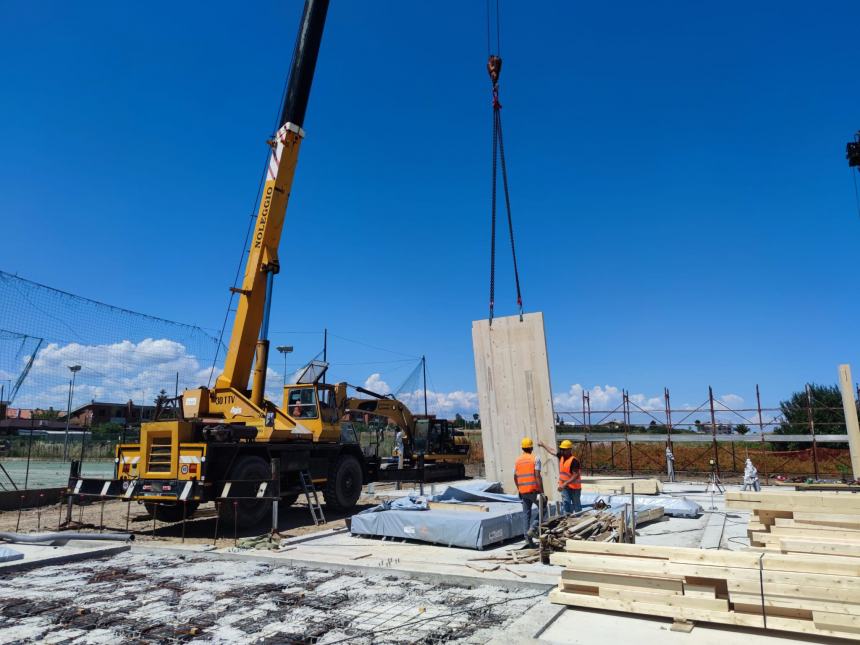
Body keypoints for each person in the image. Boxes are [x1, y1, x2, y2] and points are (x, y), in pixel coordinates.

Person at [514, 437, 543, 547]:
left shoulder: (518, 460)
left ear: (522, 448)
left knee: (526, 515)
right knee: (543, 508)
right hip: (534, 491)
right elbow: (537, 476)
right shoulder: (535, 458)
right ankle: (533, 528)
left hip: (523, 492)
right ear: (531, 447)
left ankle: (528, 540)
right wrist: (541, 492)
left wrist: (519, 488)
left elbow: (515, 477)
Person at [540, 439, 582, 514]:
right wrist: (543, 445)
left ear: (569, 450)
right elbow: (552, 451)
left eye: (564, 449)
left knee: (577, 506)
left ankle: (579, 520)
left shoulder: (574, 461)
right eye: (561, 449)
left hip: (574, 488)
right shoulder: (561, 457)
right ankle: (568, 520)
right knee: (566, 504)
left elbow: (575, 475)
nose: (562, 451)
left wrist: (564, 484)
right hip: (564, 487)